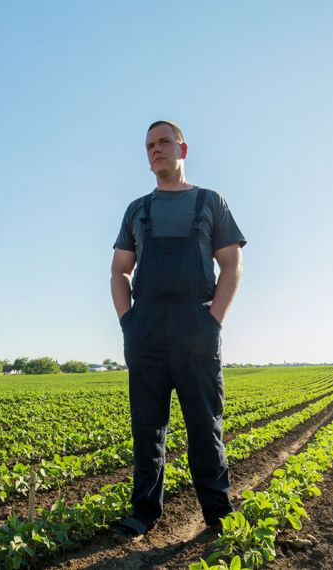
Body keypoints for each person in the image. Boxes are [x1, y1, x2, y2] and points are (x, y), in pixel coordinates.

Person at [110, 120, 246, 541]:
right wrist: (128, 322)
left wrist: (214, 319)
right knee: (147, 428)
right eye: (149, 145)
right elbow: (119, 270)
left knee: (205, 425)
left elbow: (231, 264)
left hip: (195, 326)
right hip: (146, 327)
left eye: (164, 142)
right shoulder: (137, 209)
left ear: (182, 150)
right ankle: (144, 513)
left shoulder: (210, 203)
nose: (156, 149)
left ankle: (217, 510)